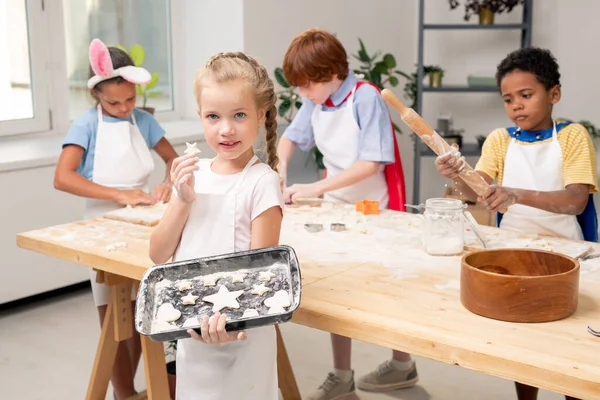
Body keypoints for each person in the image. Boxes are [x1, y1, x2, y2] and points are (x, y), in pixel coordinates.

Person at [436, 47, 597, 400]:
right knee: (524, 341)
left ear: (553, 94)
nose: (517, 106)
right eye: (508, 99)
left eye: (526, 95)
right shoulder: (499, 140)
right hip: (514, 253)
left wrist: (514, 195)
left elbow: (575, 200)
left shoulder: (572, 136)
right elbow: (476, 190)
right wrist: (456, 174)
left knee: (570, 346)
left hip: (567, 255)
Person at [277, 28, 416, 400]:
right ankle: (341, 375)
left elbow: (371, 162)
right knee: (342, 288)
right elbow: (290, 137)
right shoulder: (317, 101)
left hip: (376, 207)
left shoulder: (365, 97)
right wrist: (281, 168)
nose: (303, 94)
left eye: (307, 85)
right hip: (338, 205)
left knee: (386, 287)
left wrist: (313, 188)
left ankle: (403, 365)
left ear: (331, 73)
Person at [148, 51, 284, 400]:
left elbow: (263, 280)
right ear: (200, 117)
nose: (226, 129)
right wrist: (182, 198)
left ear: (260, 115)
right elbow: (158, 253)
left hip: (240, 336)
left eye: (239, 115)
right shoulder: (195, 175)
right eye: (213, 116)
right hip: (195, 334)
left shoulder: (262, 182)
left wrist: (232, 322)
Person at [54, 38, 178, 400]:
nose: (124, 108)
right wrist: (119, 194)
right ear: (96, 95)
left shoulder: (143, 121)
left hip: (145, 224)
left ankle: (140, 389)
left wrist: (168, 183)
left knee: (143, 312)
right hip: (103, 226)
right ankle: (124, 394)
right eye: (114, 102)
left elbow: (173, 160)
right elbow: (63, 177)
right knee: (113, 316)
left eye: (130, 99)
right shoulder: (84, 126)